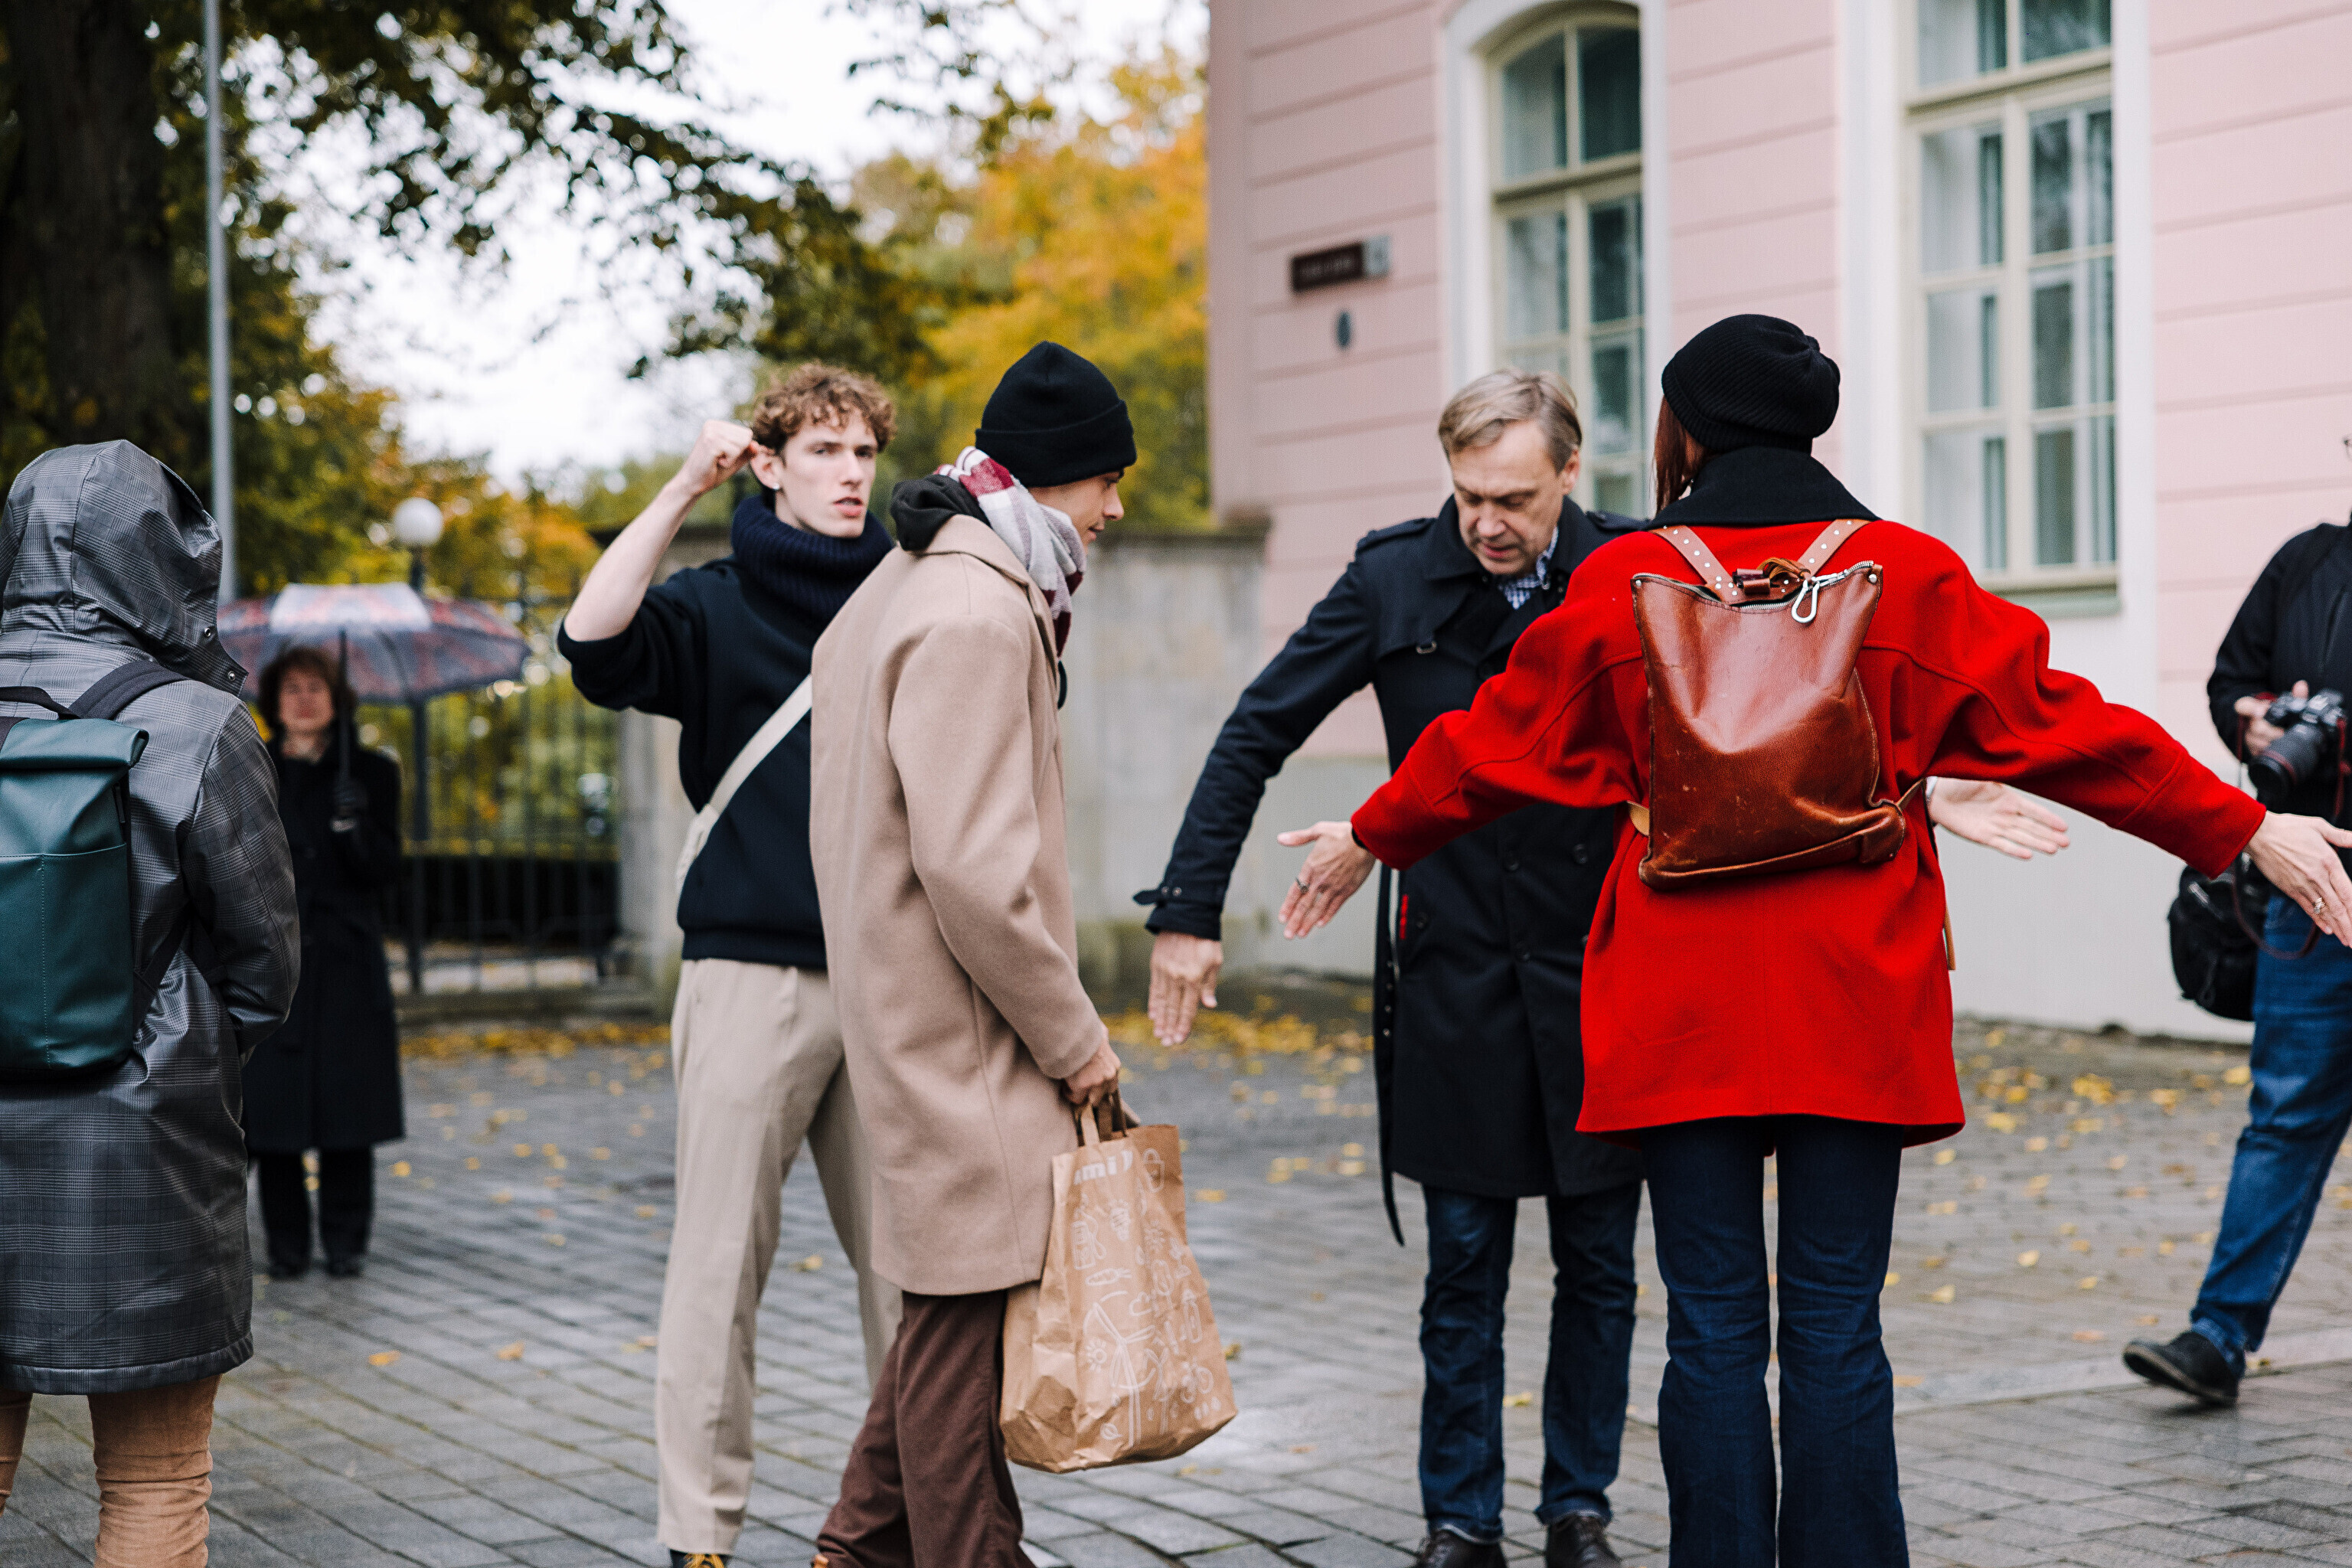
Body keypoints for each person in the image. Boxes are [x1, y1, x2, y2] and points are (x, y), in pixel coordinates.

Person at [1276, 315, 2352, 1566]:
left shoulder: (1618, 585)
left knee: (1711, 1328)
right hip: (1854, 992)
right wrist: (2243, 828)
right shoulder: (1909, 575)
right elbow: (2073, 730)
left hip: (1679, 1002)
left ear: (1685, 430)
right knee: (1839, 1325)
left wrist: (1372, 832)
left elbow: (1489, 743)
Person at [1140, 370, 2069, 1568]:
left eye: (1514, 498)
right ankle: (1460, 1518)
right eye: (1468, 495)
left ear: (1570, 473)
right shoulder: (1392, 579)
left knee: (1603, 1267)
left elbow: (1771, 739)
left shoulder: (1647, 566)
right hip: (1462, 973)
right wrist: (1195, 903)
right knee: (1464, 1266)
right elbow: (1261, 728)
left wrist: (1920, 790)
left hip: (1608, 966)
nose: (1487, 522)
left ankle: (1578, 1508)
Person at [559, 364, 906, 1568]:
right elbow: (589, 642)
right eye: (823, 452)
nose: (851, 474)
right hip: (752, 979)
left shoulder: (909, 596)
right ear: (769, 466)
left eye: (863, 453)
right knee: (717, 1273)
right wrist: (678, 489)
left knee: (913, 1278)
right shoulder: (714, 606)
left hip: (890, 982)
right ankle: (698, 1538)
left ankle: (904, 1521)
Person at [806, 341, 1130, 1566]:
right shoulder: (981, 609)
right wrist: (1076, 1038)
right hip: (965, 1032)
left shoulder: (903, 582)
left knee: (949, 1314)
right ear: (1053, 477)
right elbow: (976, 875)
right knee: (961, 1329)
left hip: (909, 1008)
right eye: (1107, 481)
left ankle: (855, 1549)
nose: (1113, 510)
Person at [0, 441, 300, 1566]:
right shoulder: (197, 724)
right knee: (156, 1480)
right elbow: (265, 964)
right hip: (141, 1154)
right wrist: (185, 1058)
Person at [2125, 514, 2352, 1406]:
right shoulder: (2306, 560)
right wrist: (2254, 726)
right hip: (2313, 889)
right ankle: (2218, 1337)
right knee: (2283, 1115)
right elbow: (2231, 683)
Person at [243, 645, 405, 1279]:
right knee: (274, 1110)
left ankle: (345, 1242)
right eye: (292, 688)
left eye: (316, 687)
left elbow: (387, 872)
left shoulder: (371, 772)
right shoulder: (252, 768)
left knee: (348, 1107)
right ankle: (286, 1248)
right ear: (274, 702)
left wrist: (354, 826)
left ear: (337, 699)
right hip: (277, 954)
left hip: (345, 960)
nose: (304, 699)